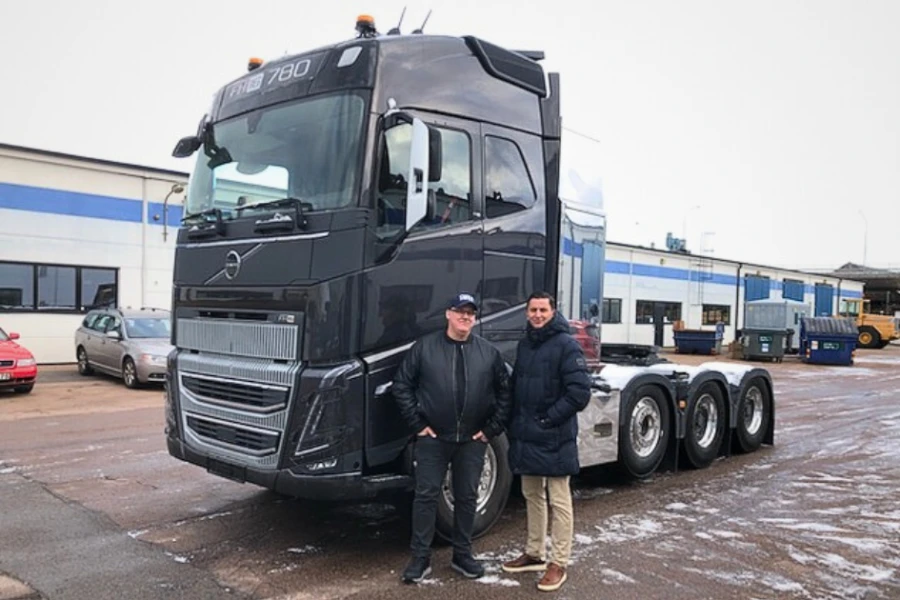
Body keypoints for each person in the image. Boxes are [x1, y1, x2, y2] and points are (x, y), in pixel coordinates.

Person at [392, 292, 512, 584]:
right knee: (426, 497)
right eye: (460, 311)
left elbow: (506, 393)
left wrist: (491, 430)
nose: (465, 317)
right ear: (448, 314)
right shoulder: (425, 348)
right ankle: (420, 559)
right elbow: (402, 385)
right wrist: (418, 424)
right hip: (433, 439)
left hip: (473, 440)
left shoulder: (488, 353)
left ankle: (462, 555)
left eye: (470, 313)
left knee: (467, 497)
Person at [501, 291, 591, 592]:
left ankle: (558, 562)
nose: (537, 315)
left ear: (553, 312)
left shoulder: (566, 345)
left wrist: (548, 419)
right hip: (528, 435)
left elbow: (579, 393)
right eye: (533, 310)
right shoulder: (525, 345)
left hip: (554, 436)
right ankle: (535, 552)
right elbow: (517, 388)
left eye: (543, 309)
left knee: (559, 499)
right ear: (526, 313)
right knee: (531, 493)